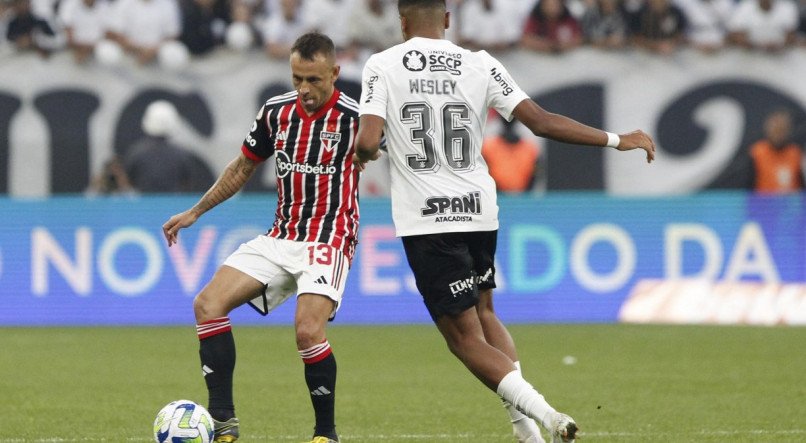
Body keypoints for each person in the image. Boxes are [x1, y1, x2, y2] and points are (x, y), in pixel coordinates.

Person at [353, 1, 655, 442]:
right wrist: (615, 139)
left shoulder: (381, 65)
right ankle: (525, 433)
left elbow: (366, 140)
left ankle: (546, 415)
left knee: (463, 339)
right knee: (485, 311)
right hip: (479, 210)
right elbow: (542, 122)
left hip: (428, 218)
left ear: (401, 21)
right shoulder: (479, 63)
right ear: (448, 19)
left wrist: (368, 152)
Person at [162, 32, 359, 443]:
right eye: (296, 79)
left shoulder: (356, 118)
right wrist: (195, 211)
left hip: (330, 238)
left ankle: (326, 434)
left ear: (335, 73)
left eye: (314, 80)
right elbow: (240, 168)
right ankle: (223, 424)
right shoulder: (276, 113)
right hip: (281, 235)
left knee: (307, 331)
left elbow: (398, 157)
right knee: (208, 304)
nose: (304, 89)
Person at [124, 100, 214, 193]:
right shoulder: (182, 155)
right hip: (175, 206)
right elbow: (188, 184)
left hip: (143, 206)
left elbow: (130, 183)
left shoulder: (136, 153)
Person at [748, 109, 805, 193]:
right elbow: (748, 184)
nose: (778, 134)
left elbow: (802, 183)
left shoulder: (796, 153)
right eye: (776, 130)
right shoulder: (757, 152)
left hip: (791, 202)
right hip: (764, 202)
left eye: (782, 130)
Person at [481, 116, 541, 193]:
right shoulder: (489, 147)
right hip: (497, 196)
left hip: (523, 199)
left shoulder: (529, 149)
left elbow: (534, 175)